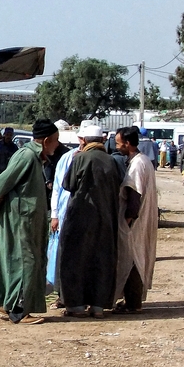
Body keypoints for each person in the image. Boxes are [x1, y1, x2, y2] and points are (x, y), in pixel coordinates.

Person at [0, 119, 60, 325]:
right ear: (47, 140)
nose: (56, 145)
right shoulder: (26, 156)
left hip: (28, 221)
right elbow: (0, 183)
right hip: (20, 220)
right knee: (26, 263)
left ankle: (9, 304)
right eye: (55, 141)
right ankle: (19, 311)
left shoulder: (35, 158)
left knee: (20, 261)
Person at [58, 123, 123, 319]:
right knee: (101, 259)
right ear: (102, 140)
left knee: (75, 259)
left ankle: (76, 306)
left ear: (84, 141)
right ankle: (98, 307)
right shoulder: (111, 161)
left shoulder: (80, 158)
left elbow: (68, 184)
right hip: (106, 218)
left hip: (81, 216)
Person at [113, 126, 159, 314]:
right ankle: (131, 301)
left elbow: (134, 194)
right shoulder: (141, 161)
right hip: (140, 220)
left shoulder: (138, 164)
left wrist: (128, 219)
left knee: (133, 260)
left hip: (135, 222)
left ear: (128, 143)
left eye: (118, 143)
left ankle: (133, 303)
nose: (116, 147)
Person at [46, 122, 91, 298]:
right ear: (81, 140)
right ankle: (61, 293)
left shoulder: (99, 159)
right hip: (65, 213)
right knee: (61, 253)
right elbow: (57, 188)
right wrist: (55, 215)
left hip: (87, 216)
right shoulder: (68, 158)